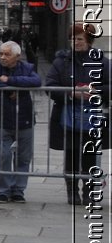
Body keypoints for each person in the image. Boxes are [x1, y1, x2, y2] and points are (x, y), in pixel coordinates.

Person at [46, 23, 108, 206]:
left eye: (79, 38)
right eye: (73, 38)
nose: (76, 42)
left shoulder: (101, 62)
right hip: (68, 116)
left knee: (90, 156)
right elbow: (49, 86)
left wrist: (94, 90)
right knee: (71, 155)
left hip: (93, 117)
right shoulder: (61, 62)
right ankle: (72, 192)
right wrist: (70, 92)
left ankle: (88, 192)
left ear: (89, 40)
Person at [0, 40, 41, 203]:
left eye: (7, 54)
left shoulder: (27, 68)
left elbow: (36, 82)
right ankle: (2, 190)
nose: (2, 57)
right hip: (1, 119)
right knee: (3, 155)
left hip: (24, 120)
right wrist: (6, 86)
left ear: (17, 56)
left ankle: (18, 190)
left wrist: (11, 82)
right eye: (1, 54)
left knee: (23, 157)